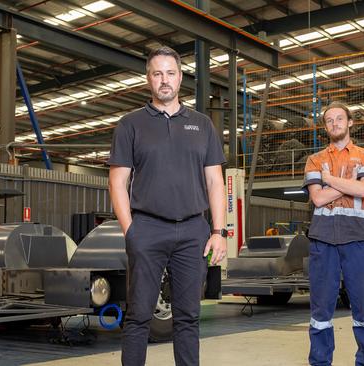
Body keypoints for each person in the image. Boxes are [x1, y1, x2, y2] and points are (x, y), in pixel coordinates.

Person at [108, 46, 227, 366]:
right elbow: (118, 182)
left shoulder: (202, 125)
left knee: (188, 317)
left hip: (193, 231)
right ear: (148, 79)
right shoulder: (130, 124)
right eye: (157, 73)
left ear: (180, 78)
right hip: (147, 227)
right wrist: (130, 229)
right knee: (138, 316)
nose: (164, 80)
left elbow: (216, 181)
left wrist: (219, 231)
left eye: (170, 73)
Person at [302, 101, 364, 366]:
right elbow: (318, 199)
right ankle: (320, 362)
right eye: (329, 120)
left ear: (350, 122)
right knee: (321, 308)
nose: (334, 124)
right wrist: (351, 183)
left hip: (358, 239)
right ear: (325, 127)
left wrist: (330, 180)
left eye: (339, 119)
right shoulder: (315, 160)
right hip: (323, 240)